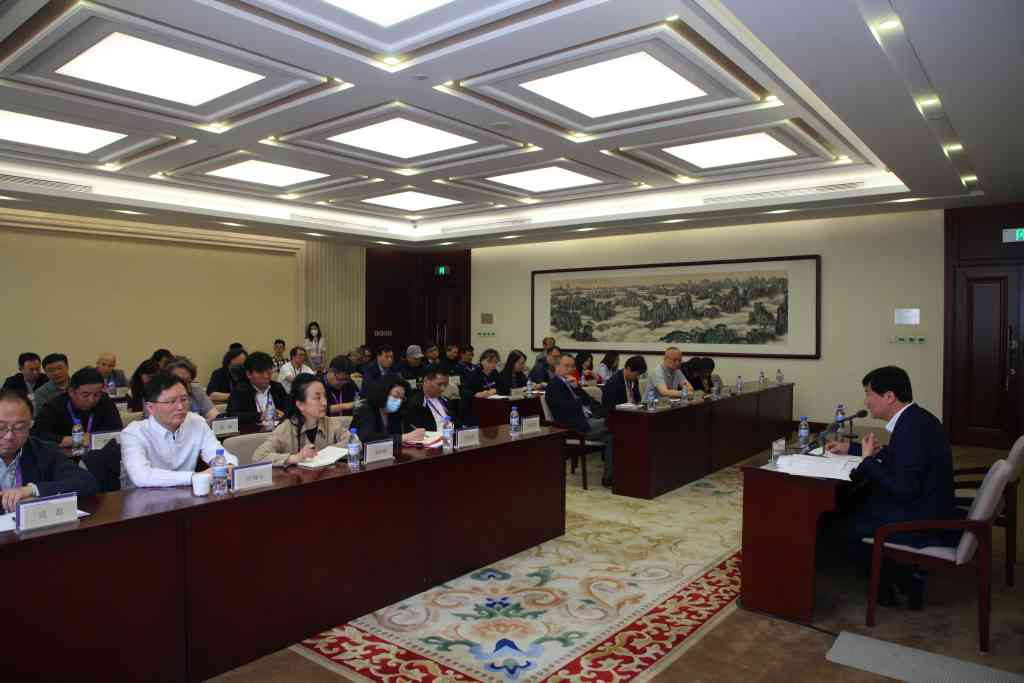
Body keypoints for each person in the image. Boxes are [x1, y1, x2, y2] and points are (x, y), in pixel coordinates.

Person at [827, 366, 956, 609]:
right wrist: (853, 449)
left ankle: (892, 582)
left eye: (868, 393)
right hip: (927, 503)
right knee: (856, 503)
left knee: (841, 525)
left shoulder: (911, 429)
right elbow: (902, 459)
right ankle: (898, 573)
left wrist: (867, 461)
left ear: (889, 396)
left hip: (923, 519)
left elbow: (904, 489)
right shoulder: (916, 419)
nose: (866, 401)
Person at [120, 373, 238, 489]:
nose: (180, 407)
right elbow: (142, 476)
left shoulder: (196, 421)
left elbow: (216, 451)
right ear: (151, 408)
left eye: (184, 399)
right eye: (171, 402)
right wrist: (195, 477)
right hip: (143, 497)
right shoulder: (133, 433)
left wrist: (228, 465)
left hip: (186, 494)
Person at [1, 389, 98, 512]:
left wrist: (32, 490)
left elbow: (87, 483)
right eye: (1, 427)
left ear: (30, 425)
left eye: (19, 428)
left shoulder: (43, 450)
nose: (9, 436)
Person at [253, 373, 351, 467]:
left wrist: (326, 453)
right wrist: (294, 458)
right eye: (317, 398)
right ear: (300, 405)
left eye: (324, 396)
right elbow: (259, 456)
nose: (324, 403)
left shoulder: (331, 423)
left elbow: (353, 441)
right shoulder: (286, 428)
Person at [545, 355, 613, 487]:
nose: (570, 369)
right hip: (574, 426)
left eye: (572, 366)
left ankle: (609, 478)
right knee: (616, 423)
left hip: (586, 420)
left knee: (613, 436)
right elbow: (564, 408)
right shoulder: (554, 386)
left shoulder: (570, 383)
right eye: (566, 366)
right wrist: (578, 400)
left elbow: (587, 400)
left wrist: (576, 387)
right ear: (557, 367)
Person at [32, 367, 124, 447]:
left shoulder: (104, 400)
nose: (91, 400)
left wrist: (93, 437)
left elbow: (116, 429)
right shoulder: (54, 406)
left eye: (96, 394)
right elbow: (38, 434)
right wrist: (72, 440)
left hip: (100, 452)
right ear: (71, 392)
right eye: (85, 395)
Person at [351, 375, 422, 444]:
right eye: (396, 395)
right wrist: (403, 437)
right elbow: (368, 438)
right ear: (384, 392)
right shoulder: (366, 409)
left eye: (402, 398)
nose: (399, 401)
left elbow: (395, 435)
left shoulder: (395, 414)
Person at [227, 352, 291, 428]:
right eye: (260, 372)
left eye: (268, 371)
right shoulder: (240, 391)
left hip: (278, 430)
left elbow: (289, 407)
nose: (266, 376)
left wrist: (283, 414)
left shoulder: (277, 387)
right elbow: (232, 415)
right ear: (248, 374)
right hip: (253, 432)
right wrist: (260, 416)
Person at [166, 357, 219, 423]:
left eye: (188, 381)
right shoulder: (162, 397)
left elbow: (214, 415)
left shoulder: (196, 390)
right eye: (180, 381)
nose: (185, 386)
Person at [459, 348, 500, 427]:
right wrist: (476, 394)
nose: (492, 364)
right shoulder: (473, 374)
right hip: (475, 408)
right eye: (489, 361)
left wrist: (495, 390)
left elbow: (503, 387)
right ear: (482, 361)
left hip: (492, 406)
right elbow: (463, 391)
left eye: (495, 362)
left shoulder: (495, 373)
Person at [32, 354, 71, 418]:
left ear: (67, 367)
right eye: (51, 370)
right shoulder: (41, 393)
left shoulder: (79, 386)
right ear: (45, 372)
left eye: (59, 368)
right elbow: (41, 417)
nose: (56, 373)